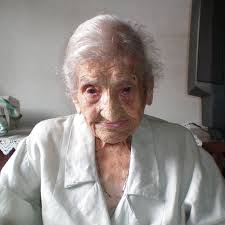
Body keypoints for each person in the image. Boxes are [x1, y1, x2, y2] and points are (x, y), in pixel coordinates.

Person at [0, 14, 225, 225]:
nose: (110, 112)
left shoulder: (181, 147)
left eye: (126, 89)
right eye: (91, 90)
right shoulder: (45, 142)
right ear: (74, 97)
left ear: (148, 90)